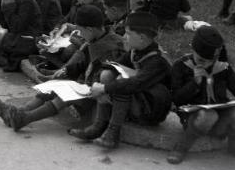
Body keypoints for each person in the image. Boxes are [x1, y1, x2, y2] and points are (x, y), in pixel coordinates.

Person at [0, 4, 124, 132]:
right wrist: (66, 71)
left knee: (63, 95)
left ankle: (24, 118)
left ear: (90, 29)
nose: (81, 35)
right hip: (86, 84)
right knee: (53, 87)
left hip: (99, 93)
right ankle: (19, 111)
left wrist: (78, 84)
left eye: (81, 31)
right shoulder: (97, 38)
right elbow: (84, 64)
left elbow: (105, 74)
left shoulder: (111, 46)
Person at [69, 11, 172, 148]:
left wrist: (104, 89)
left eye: (128, 34)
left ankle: (112, 134)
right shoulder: (136, 50)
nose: (124, 37)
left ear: (141, 38)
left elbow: (135, 84)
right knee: (107, 74)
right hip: (139, 100)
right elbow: (114, 65)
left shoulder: (158, 60)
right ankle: (99, 125)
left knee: (123, 85)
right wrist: (100, 85)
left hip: (151, 110)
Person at [168, 25, 235, 165]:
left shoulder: (222, 67)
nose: (205, 64)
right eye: (200, 60)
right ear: (193, 49)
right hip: (195, 118)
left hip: (220, 117)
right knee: (208, 115)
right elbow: (176, 99)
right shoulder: (181, 66)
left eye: (209, 61)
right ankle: (181, 147)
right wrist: (195, 83)